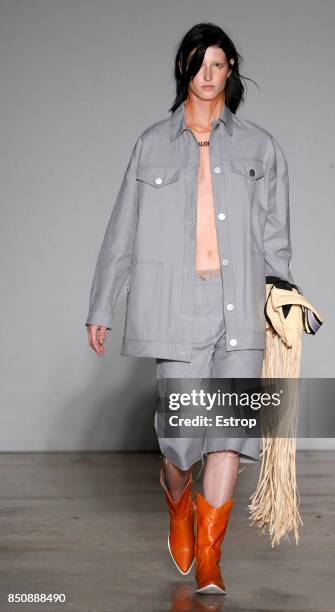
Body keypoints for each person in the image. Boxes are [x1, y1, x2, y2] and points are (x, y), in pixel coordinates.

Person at [85, 22, 296, 595]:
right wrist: (102, 303)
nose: (208, 73)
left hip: (242, 307)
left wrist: (284, 301)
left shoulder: (261, 146)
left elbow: (275, 237)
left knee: (227, 432)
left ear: (232, 71)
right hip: (175, 306)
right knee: (181, 437)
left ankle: (210, 555)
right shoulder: (151, 145)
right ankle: (177, 494)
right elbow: (122, 230)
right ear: (184, 67)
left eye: (219, 63)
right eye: (199, 62)